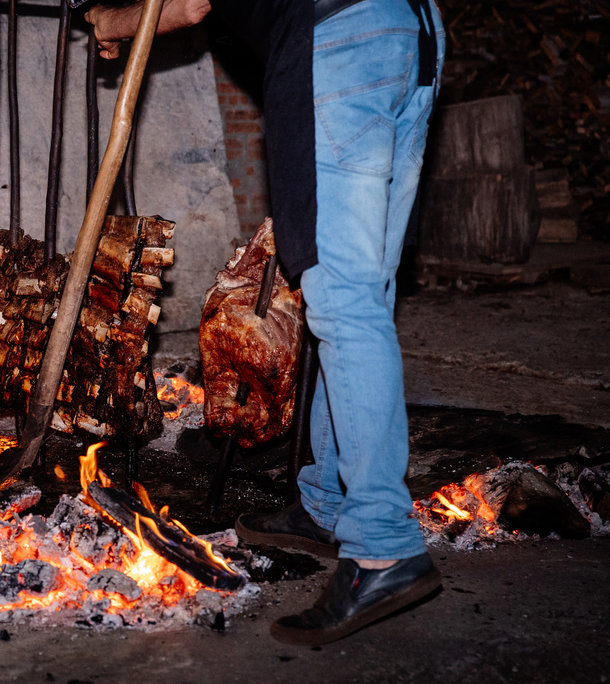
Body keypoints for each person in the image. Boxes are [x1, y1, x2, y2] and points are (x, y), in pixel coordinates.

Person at [86, 0, 447, 646]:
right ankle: (329, 502)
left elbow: (192, 2)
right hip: (412, 30)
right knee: (363, 292)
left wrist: (110, 22)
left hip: (340, 35)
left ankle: (382, 549)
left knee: (340, 297)